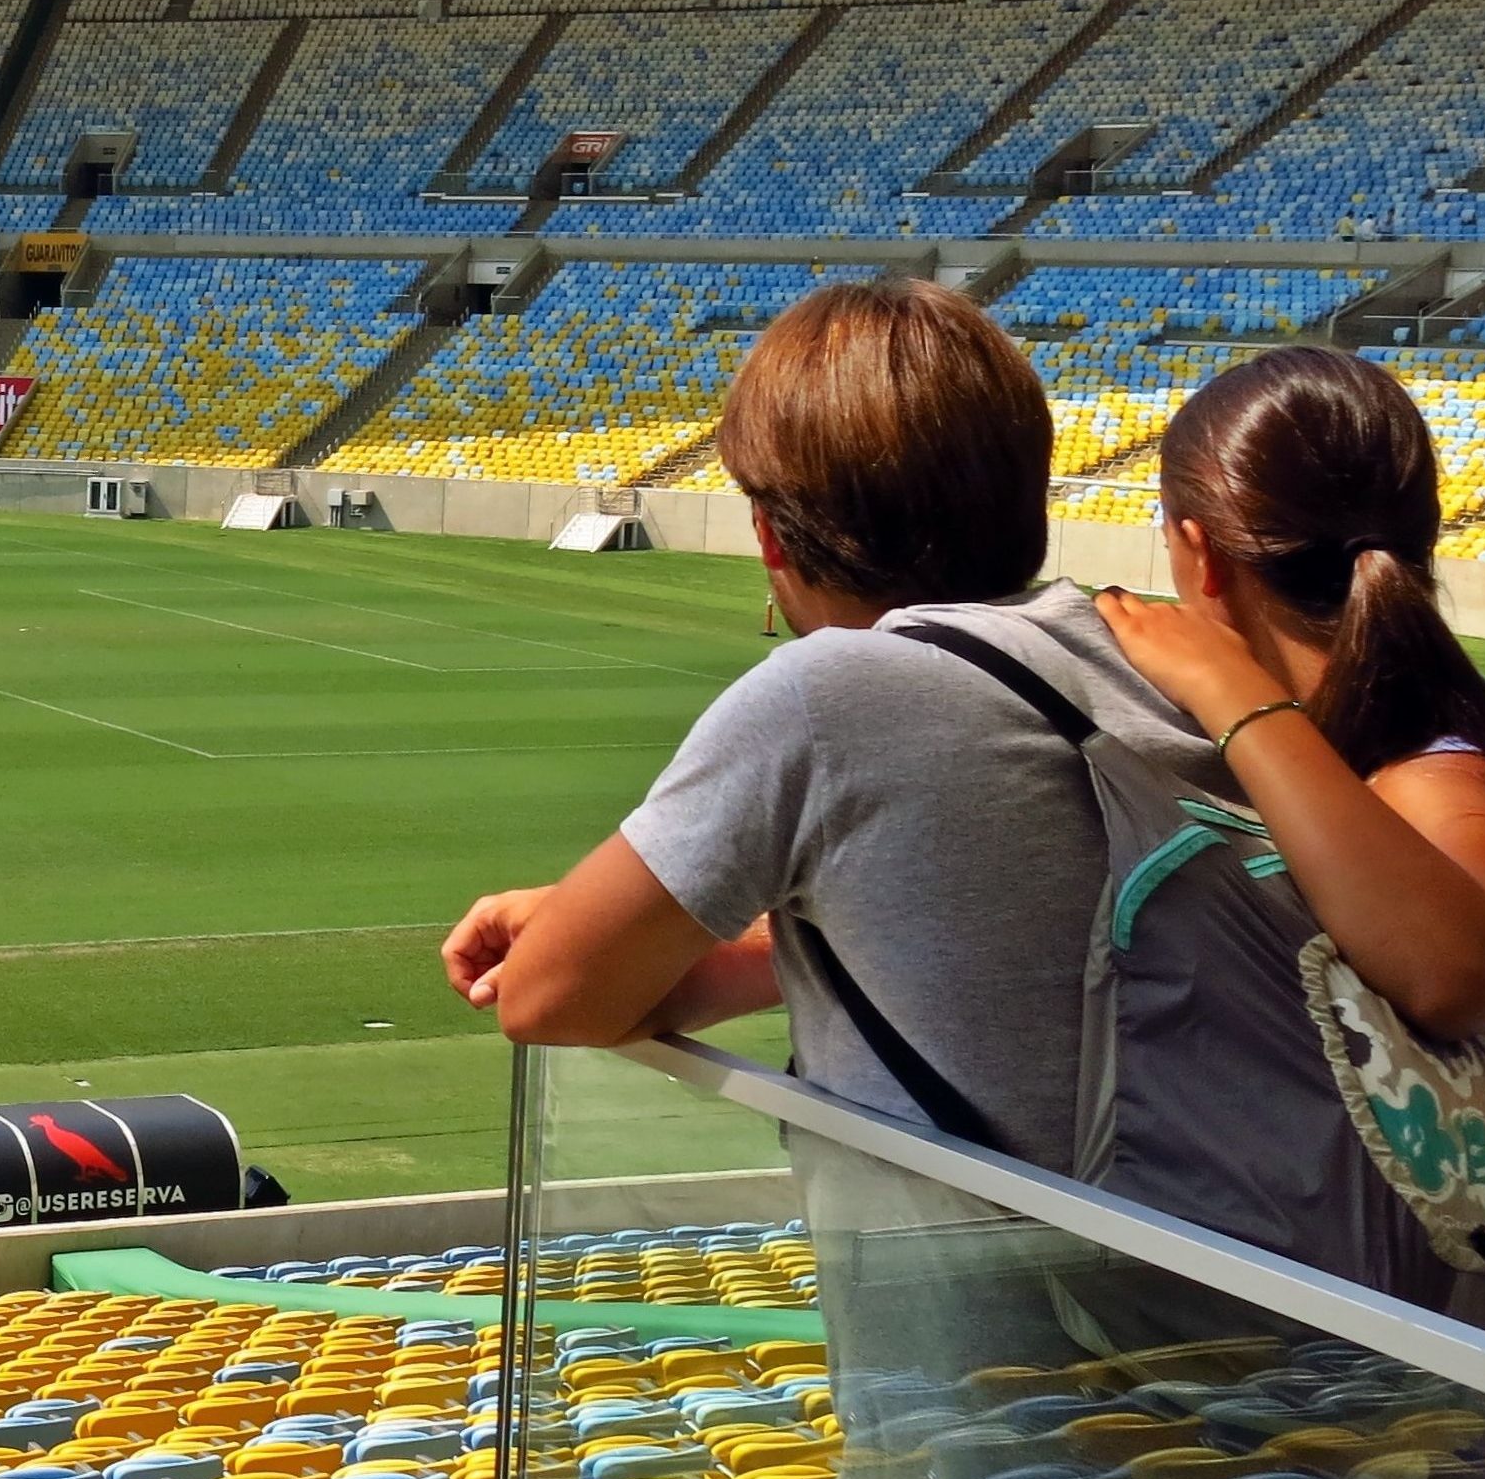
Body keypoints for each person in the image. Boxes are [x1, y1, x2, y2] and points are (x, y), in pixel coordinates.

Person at [442, 276, 1221, 1172]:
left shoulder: (829, 694)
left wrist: (604, 933)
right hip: (1216, 1237)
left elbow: (545, 1000)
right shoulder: (1139, 653)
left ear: (771, 534)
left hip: (987, 1255)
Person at [1091, 344, 1485, 1357]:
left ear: (1198, 554)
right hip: (1381, 1386)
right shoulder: (1420, 729)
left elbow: (1458, 975)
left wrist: (1231, 697)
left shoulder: (1440, 768)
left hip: (1443, 1415)